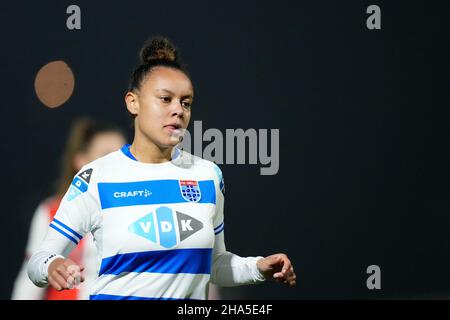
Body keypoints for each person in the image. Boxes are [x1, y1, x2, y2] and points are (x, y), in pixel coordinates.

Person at [28, 36, 296, 300]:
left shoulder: (208, 176)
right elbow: (39, 260)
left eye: (186, 102)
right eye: (165, 99)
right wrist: (52, 266)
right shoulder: (96, 177)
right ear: (133, 102)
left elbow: (213, 264)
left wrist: (257, 267)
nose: (178, 110)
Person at [12, 117, 126, 299]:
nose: (118, 164)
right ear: (81, 162)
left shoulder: (135, 211)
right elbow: (29, 283)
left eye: (122, 155)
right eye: (106, 155)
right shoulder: (52, 211)